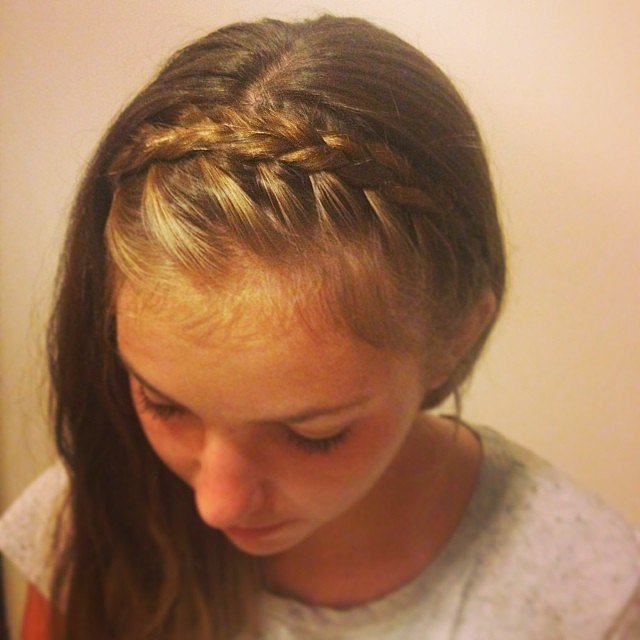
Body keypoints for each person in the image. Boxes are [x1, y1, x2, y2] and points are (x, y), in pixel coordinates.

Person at [0, 14, 638, 640]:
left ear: (456, 340)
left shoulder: (587, 592)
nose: (217, 504)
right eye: (162, 404)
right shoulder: (93, 513)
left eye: (313, 435)